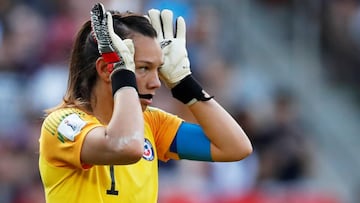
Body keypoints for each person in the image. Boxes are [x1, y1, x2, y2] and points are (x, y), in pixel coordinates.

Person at [38, 3, 252, 203]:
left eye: (158, 69)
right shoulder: (61, 125)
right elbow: (125, 146)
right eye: (142, 68)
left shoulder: (152, 123)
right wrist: (122, 75)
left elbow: (235, 147)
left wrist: (184, 84)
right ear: (105, 69)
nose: (156, 83)